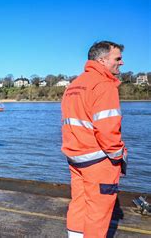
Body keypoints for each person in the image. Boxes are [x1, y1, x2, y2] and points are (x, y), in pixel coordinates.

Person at [61, 41, 127, 238]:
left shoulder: (73, 85)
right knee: (98, 211)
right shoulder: (104, 85)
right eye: (117, 58)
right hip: (99, 161)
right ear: (102, 60)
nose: (121, 63)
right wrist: (118, 157)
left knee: (79, 203)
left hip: (75, 157)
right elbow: (107, 131)